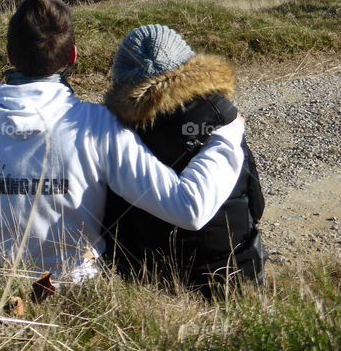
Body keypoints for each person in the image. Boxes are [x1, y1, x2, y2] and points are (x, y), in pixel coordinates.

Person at [0, 0, 247, 283]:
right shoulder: (97, 125)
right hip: (71, 296)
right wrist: (226, 137)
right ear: (73, 56)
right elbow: (189, 208)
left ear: (9, 55)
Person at [100, 24, 266, 295]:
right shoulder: (223, 118)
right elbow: (256, 205)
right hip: (234, 278)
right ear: (188, 64)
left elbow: (113, 219)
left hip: (152, 285)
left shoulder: (114, 131)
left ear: (122, 80)